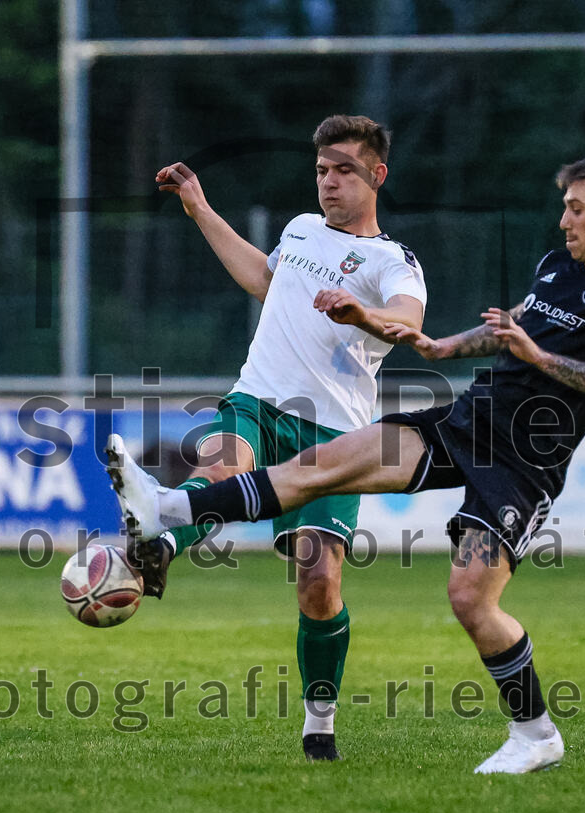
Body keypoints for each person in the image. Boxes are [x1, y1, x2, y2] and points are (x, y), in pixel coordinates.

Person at [107, 153, 585, 774]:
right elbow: (514, 328)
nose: (564, 220)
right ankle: (167, 506)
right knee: (322, 467)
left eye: (576, 208)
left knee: (471, 599)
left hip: (524, 460)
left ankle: (536, 734)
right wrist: (444, 346)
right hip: (470, 421)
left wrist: (537, 356)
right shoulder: (557, 265)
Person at [110, 115, 427, 761]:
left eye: (344, 170)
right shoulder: (301, 229)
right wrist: (200, 209)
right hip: (259, 397)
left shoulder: (394, 260)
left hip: (335, 431)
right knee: (221, 470)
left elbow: (408, 321)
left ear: (377, 175)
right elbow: (264, 280)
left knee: (318, 580)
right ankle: (160, 540)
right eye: (321, 170)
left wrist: (362, 313)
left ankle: (320, 722)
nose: (329, 182)